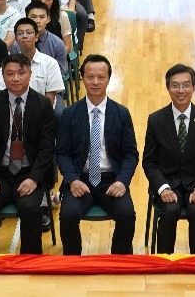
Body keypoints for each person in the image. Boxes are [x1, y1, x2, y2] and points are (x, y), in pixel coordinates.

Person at [0, 53, 58, 254]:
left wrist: (34, 179)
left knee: (30, 209)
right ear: (3, 77)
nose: (16, 78)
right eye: (10, 74)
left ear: (30, 74)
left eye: (21, 73)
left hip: (29, 173)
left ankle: (29, 261)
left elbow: (47, 148)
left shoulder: (43, 105)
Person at [55, 54, 138, 255]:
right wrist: (72, 180)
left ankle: (119, 262)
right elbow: (62, 153)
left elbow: (130, 154)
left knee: (127, 215)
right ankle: (73, 263)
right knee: (67, 215)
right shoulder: (70, 113)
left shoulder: (121, 113)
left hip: (111, 179)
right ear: (82, 78)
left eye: (101, 77)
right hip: (80, 179)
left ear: (109, 79)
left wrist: (122, 182)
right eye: (90, 77)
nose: (95, 82)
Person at [141, 63, 195, 254]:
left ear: (194, 87)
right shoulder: (156, 120)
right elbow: (149, 162)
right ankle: (164, 261)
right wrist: (162, 187)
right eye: (175, 85)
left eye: (186, 85)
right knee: (170, 210)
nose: (181, 91)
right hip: (168, 184)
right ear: (167, 87)